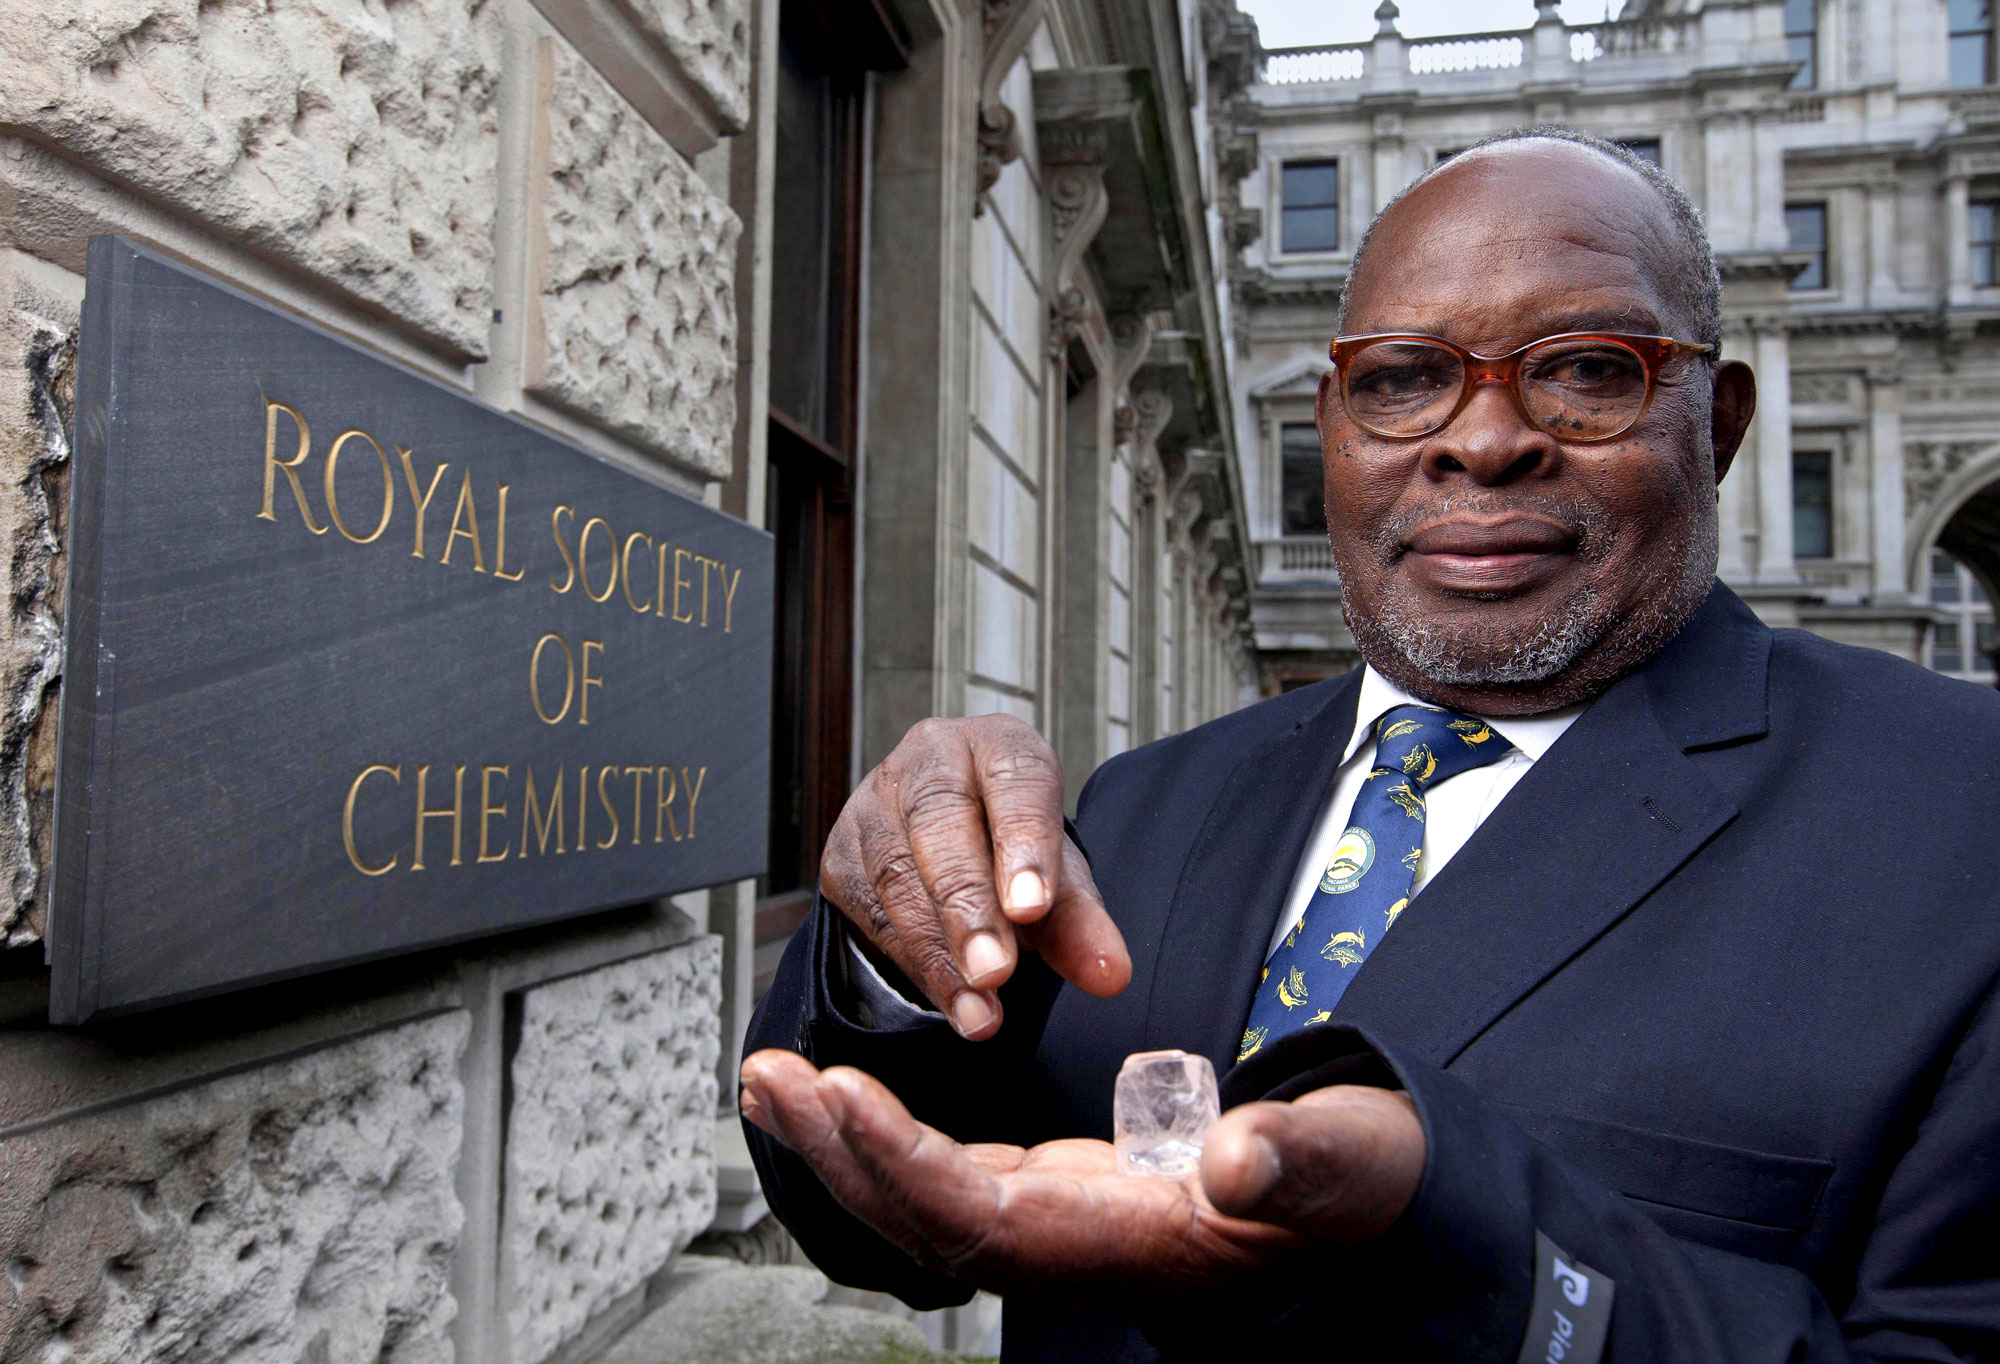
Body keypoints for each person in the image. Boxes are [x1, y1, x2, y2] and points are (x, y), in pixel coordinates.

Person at [737, 128, 2000, 1362]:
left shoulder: (1958, 819)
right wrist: (891, 940)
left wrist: (1451, 1235)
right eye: (1402, 378)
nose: (1483, 438)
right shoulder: (1141, 806)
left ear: (1714, 423)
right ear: (1333, 424)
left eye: (1584, 367)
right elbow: (876, 1225)